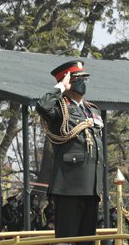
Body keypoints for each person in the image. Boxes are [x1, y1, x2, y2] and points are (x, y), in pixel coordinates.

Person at [35, 60, 105, 243]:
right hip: (69, 186)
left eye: (84, 79)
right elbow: (42, 106)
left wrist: (100, 188)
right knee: (67, 240)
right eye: (78, 79)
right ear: (69, 81)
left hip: (91, 187)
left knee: (86, 240)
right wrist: (60, 87)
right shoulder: (60, 107)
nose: (83, 83)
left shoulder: (92, 110)